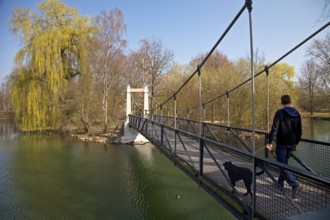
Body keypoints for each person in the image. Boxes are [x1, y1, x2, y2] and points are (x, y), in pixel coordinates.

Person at [266, 95, 302, 200]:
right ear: (290, 101)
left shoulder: (279, 113)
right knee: (284, 164)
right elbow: (299, 131)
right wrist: (296, 142)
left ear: (282, 102)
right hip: (291, 144)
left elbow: (274, 128)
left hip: (281, 144)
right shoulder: (297, 113)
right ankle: (280, 183)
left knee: (282, 165)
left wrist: (270, 142)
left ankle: (294, 184)